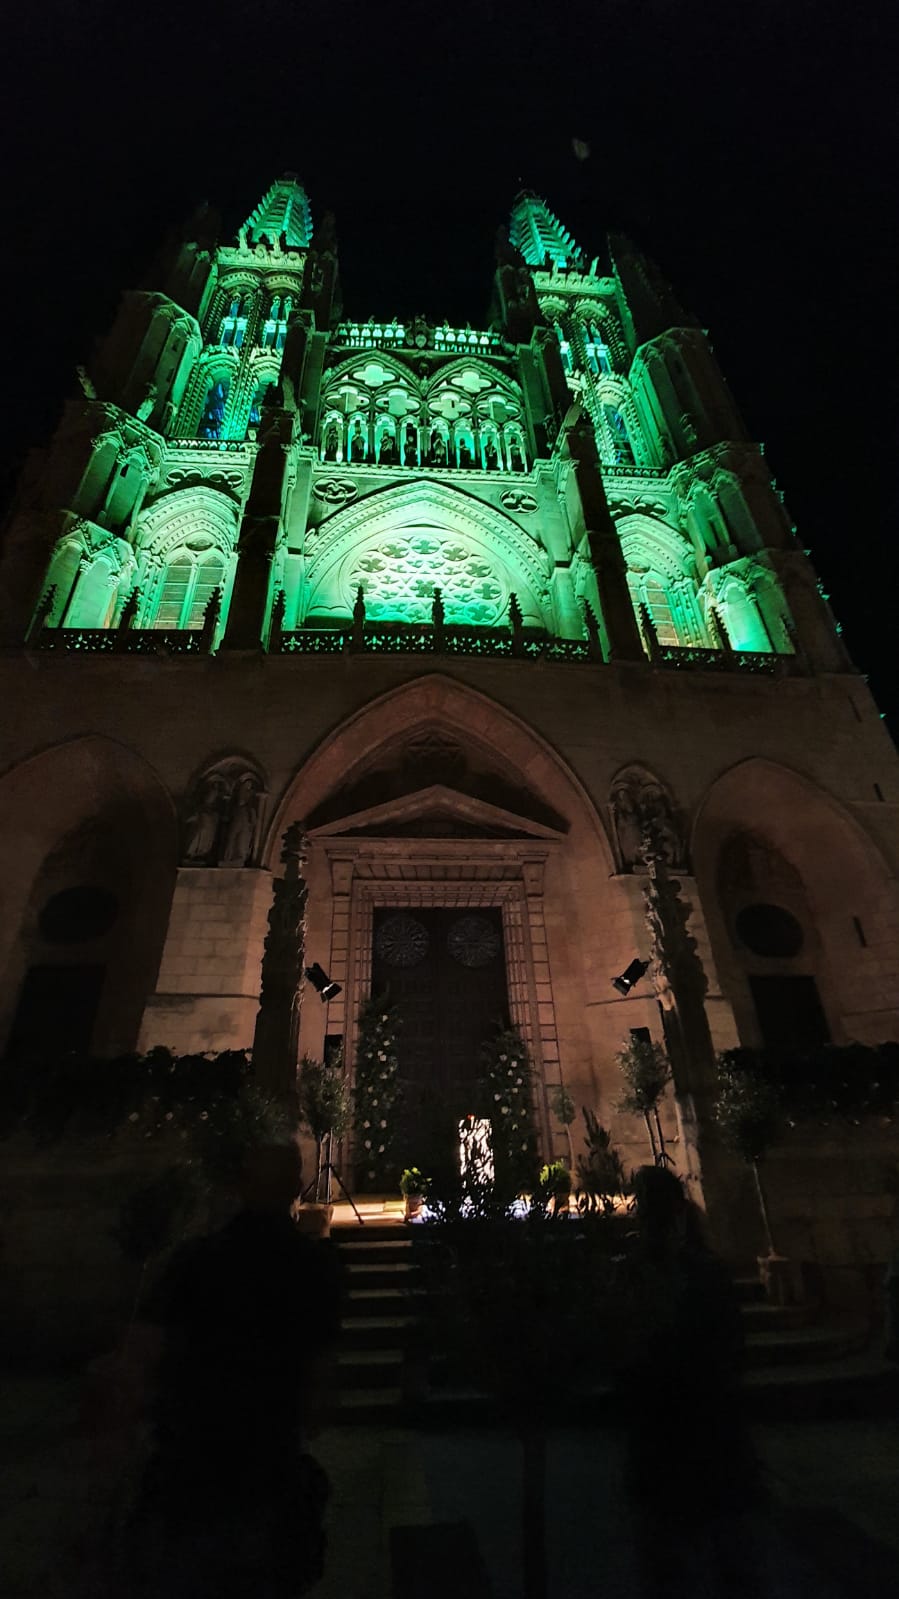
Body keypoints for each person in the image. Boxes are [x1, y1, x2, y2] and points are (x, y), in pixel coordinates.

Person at [124, 1140, 343, 1598]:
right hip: (267, 1463)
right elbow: (320, 1386)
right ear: (291, 1187)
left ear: (239, 1186)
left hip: (191, 1463)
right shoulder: (313, 1269)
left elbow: (141, 1354)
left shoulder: (193, 1260)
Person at [618, 1166, 764, 1598]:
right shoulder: (702, 1273)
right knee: (720, 1558)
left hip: (675, 1434)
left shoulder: (651, 1275)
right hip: (705, 1433)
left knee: (675, 1561)